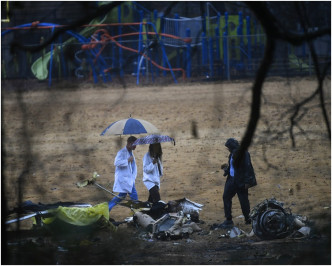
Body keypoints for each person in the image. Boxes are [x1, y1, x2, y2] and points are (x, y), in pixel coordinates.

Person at [219, 138, 257, 228]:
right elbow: (233, 167)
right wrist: (226, 170)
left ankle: (247, 218)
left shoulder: (243, 154)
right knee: (226, 197)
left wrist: (247, 181)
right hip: (231, 180)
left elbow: (248, 168)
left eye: (228, 147)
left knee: (243, 200)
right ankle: (228, 220)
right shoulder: (232, 154)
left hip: (240, 181)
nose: (228, 149)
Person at [108, 136, 138, 212]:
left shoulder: (130, 152)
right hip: (124, 179)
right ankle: (137, 213)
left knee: (121, 196)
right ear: (129, 143)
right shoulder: (121, 152)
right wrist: (127, 160)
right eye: (134, 144)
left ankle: (107, 208)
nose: (136, 146)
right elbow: (116, 163)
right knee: (134, 196)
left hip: (128, 179)